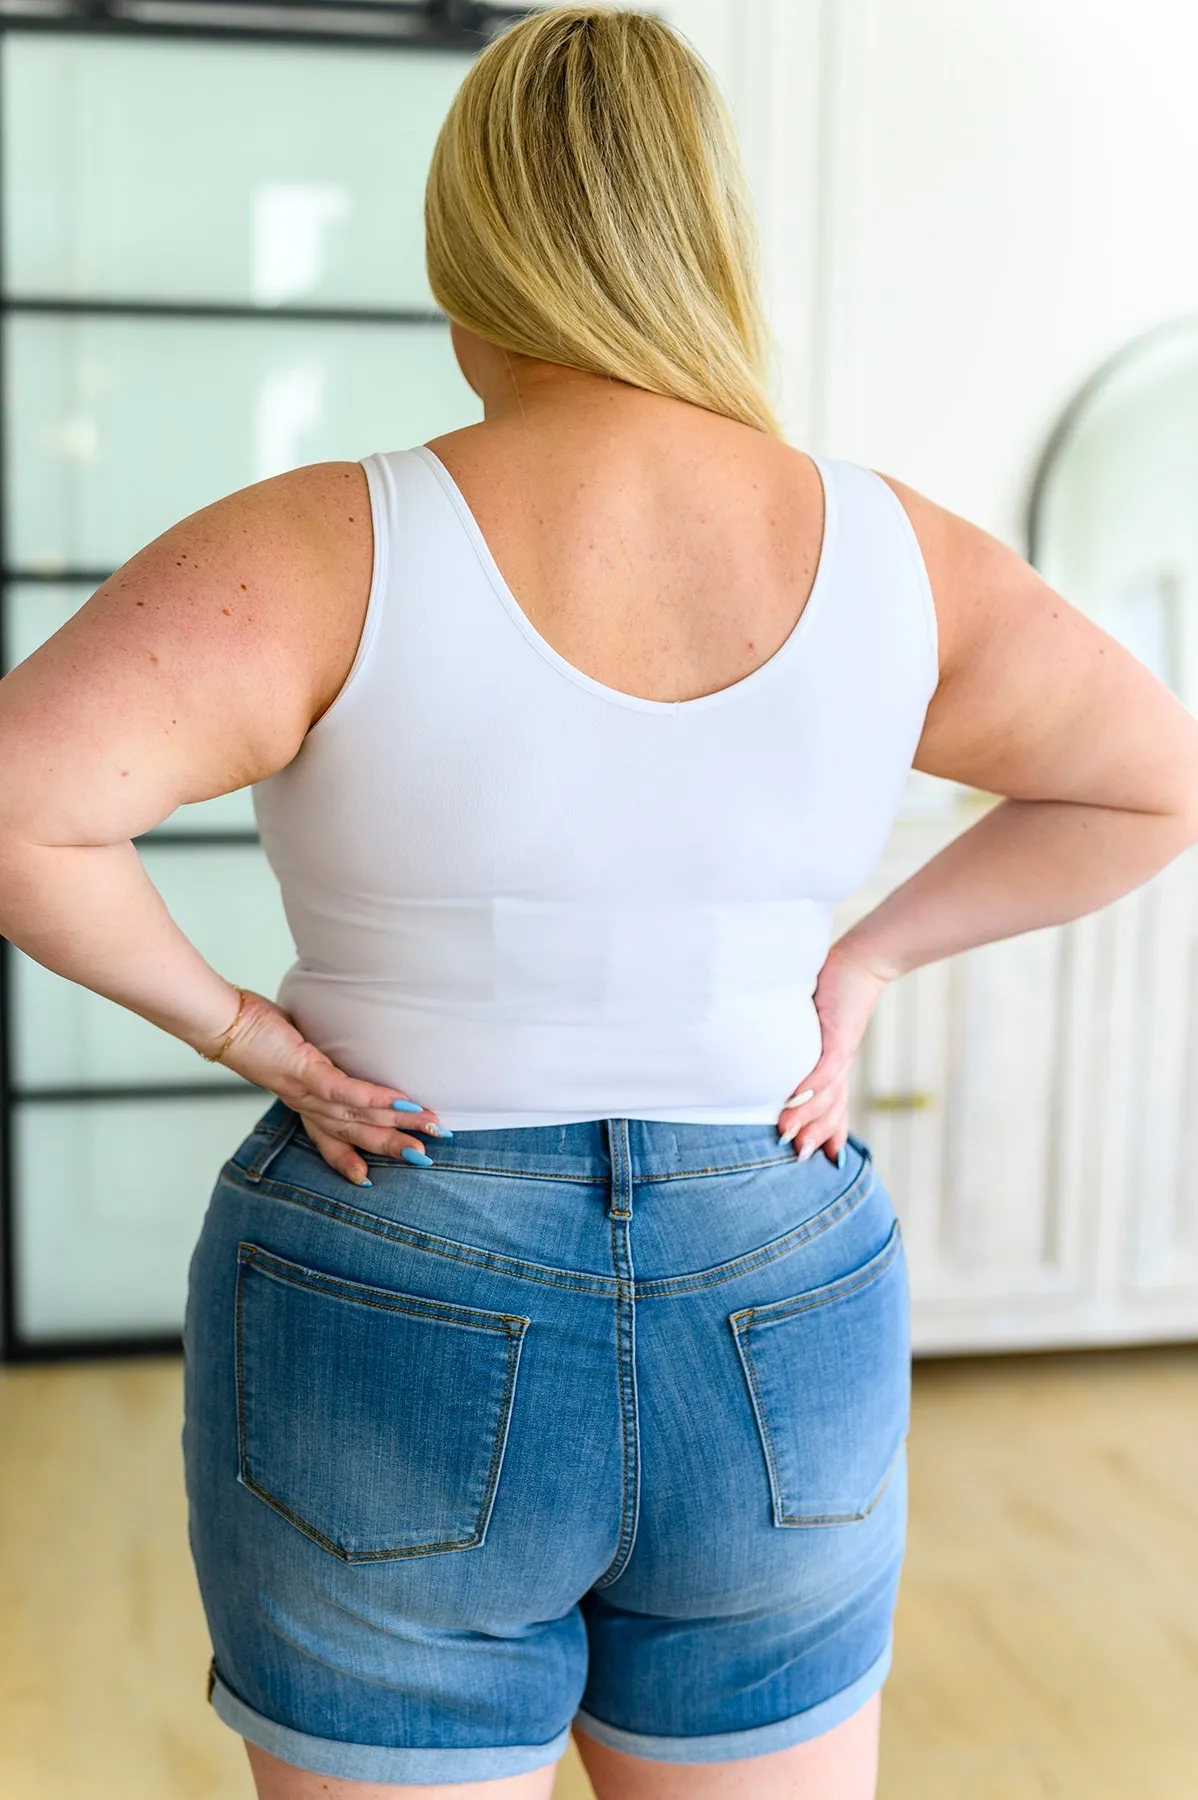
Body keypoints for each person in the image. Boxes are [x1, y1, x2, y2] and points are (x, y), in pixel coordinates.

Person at [0, 7, 1195, 1798]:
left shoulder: (326, 540)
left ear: (466, 240)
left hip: (395, 1231)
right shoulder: (899, 551)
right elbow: (1150, 779)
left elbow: (23, 805)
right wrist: (862, 959)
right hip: (772, 1258)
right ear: (708, 234)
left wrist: (249, 1031)